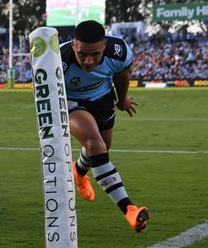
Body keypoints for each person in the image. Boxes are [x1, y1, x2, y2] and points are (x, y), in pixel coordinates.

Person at [61, 20, 150, 232]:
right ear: (73, 45)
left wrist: (123, 99)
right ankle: (129, 210)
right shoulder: (58, 59)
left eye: (95, 54)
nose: (89, 61)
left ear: (104, 46)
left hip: (103, 99)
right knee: (95, 145)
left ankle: (78, 170)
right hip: (72, 102)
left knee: (102, 148)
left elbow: (122, 74)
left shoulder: (118, 51)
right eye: (82, 54)